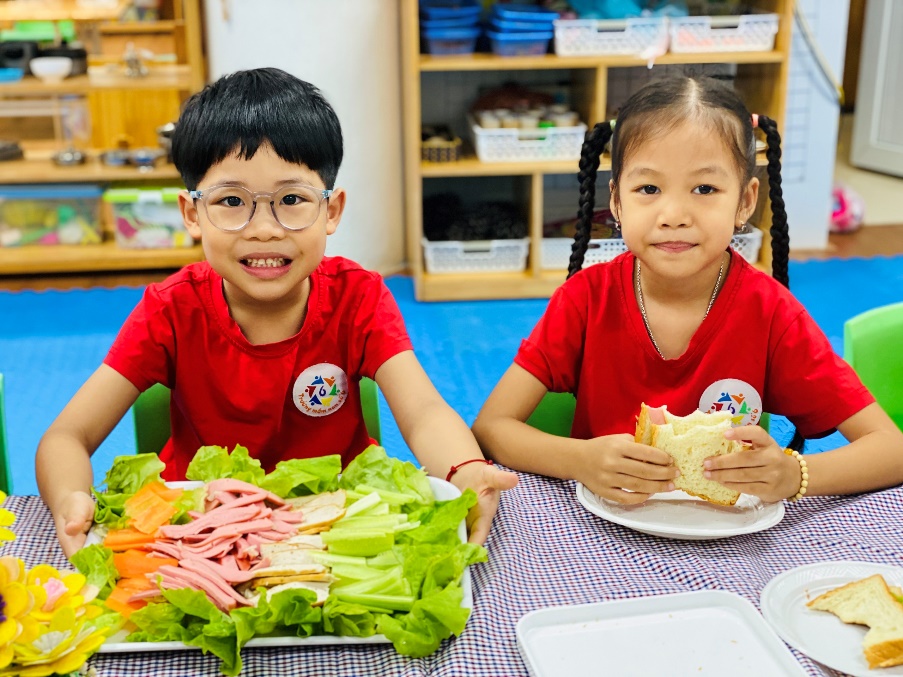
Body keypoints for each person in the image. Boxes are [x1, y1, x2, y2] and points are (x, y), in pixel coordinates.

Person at [37, 68, 517, 557]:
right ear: (191, 214)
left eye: (291, 199)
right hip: (203, 534)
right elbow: (66, 436)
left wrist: (463, 470)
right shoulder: (171, 310)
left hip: (336, 524)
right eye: (230, 201)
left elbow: (424, 414)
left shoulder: (359, 298)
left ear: (330, 211)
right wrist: (71, 501)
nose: (263, 229)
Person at [472, 76, 903, 507]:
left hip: (733, 546)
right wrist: (579, 459)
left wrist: (795, 474)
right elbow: (491, 427)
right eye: (648, 189)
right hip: (604, 533)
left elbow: (891, 449)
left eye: (705, 189)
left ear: (745, 201)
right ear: (617, 203)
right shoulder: (585, 300)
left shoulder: (771, 314)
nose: (674, 214)